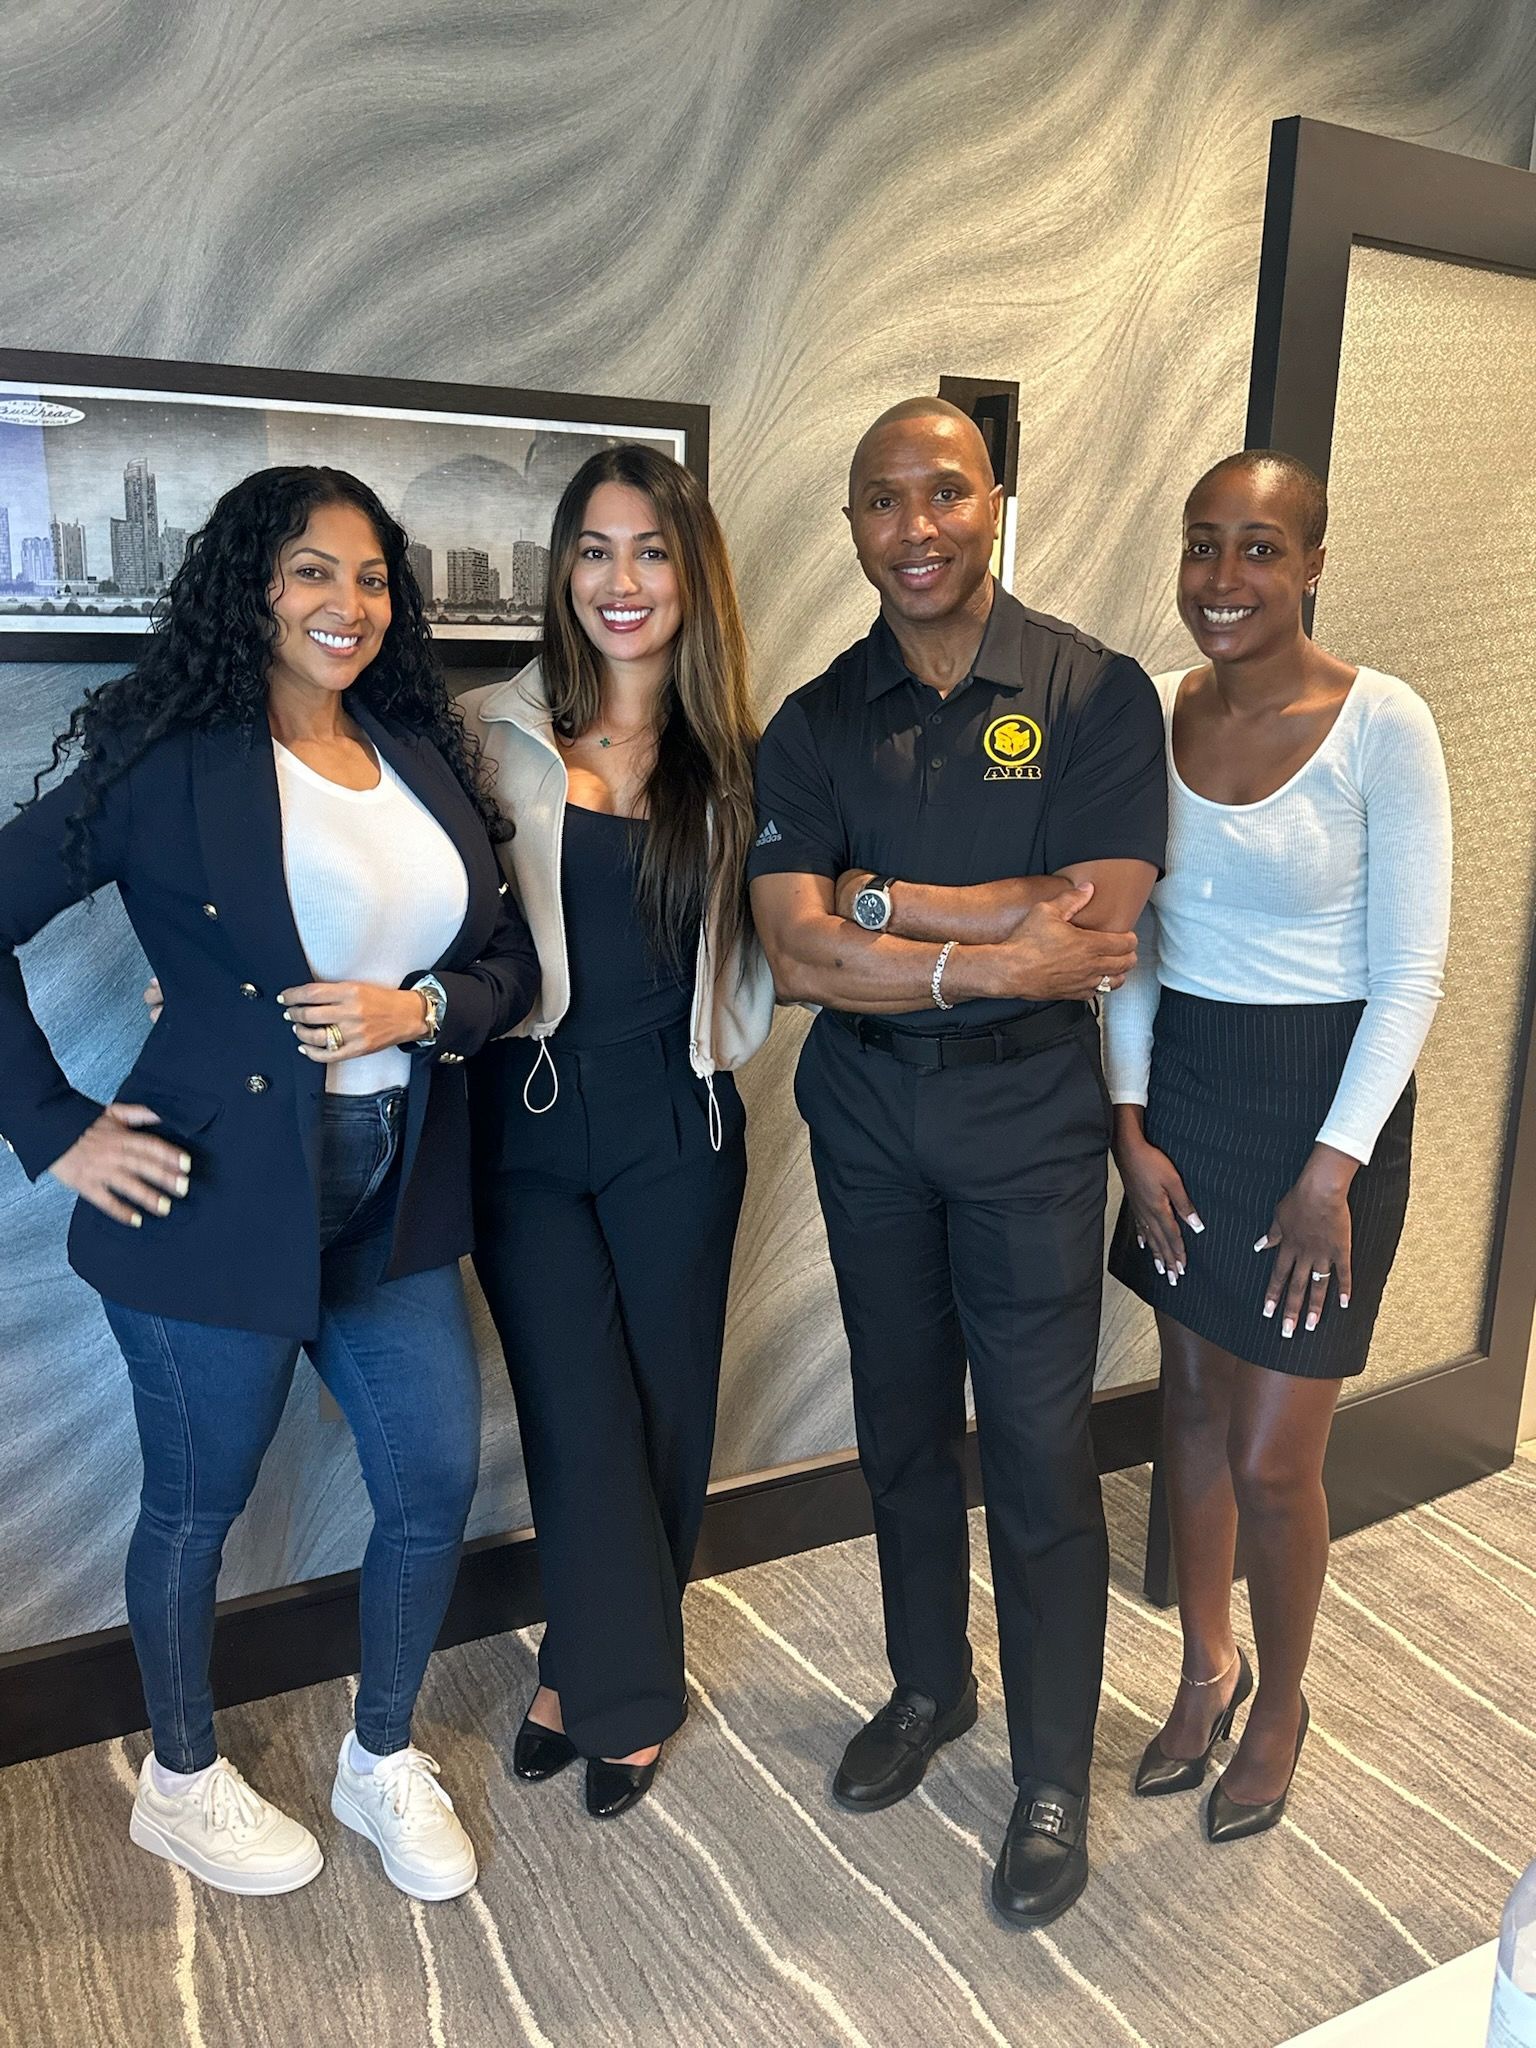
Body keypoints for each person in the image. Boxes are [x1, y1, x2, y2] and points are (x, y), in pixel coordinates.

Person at [0, 466, 539, 1900]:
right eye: (312, 571)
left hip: (397, 1194)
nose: (346, 605)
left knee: (431, 1477)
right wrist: (55, 1127)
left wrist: (420, 1011)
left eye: (370, 578)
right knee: (198, 1502)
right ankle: (179, 1782)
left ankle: (379, 1754)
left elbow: (510, 967)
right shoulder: (167, 758)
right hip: (210, 1195)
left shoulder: (418, 748)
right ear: (252, 586)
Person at [748, 398, 1166, 1926]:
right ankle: (932, 1687)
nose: (913, 528)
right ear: (850, 524)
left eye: (942, 494)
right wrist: (987, 940)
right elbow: (792, 957)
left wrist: (883, 899)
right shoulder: (811, 721)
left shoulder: (1095, 693)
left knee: (1046, 1455)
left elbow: (1101, 917)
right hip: (867, 1118)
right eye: (880, 502)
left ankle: (1054, 1768)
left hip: (1027, 1131)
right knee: (901, 1428)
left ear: (994, 500)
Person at [1105, 449, 1451, 1841]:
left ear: (1312, 564)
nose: (1224, 578)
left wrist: (1331, 1174)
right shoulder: (1150, 715)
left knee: (1271, 1458)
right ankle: (1203, 1667)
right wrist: (1127, 1127)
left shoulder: (1384, 723)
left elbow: (1412, 973)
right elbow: (1129, 940)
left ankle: (1283, 1699)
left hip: (1332, 1116)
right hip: (1185, 1091)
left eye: (1259, 548)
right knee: (1188, 1407)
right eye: (1204, 545)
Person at [458, 443, 772, 1820]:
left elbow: (812, 925)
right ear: (562, 571)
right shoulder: (486, 734)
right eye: (594, 548)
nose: (621, 580)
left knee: (663, 1416)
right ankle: (627, 1690)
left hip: (679, 1118)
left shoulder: (745, 767)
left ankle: (579, 1675)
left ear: (691, 575)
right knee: (573, 1412)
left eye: (650, 550)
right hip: (527, 1123)